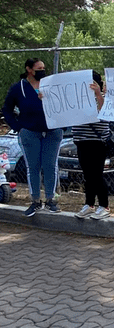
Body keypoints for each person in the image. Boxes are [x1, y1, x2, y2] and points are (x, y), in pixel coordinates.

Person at [2, 58, 64, 216]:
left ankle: (51, 200)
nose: (42, 71)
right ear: (29, 69)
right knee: (33, 167)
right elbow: (7, 109)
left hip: (52, 131)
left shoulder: (51, 85)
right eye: (39, 68)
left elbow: (64, 103)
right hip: (29, 132)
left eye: (44, 67)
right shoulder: (19, 88)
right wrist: (18, 127)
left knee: (50, 165)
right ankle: (35, 200)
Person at [73, 71, 111, 220]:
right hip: (81, 140)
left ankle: (104, 206)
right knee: (88, 175)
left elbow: (105, 113)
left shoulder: (103, 97)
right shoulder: (76, 99)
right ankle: (89, 204)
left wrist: (98, 94)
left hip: (97, 141)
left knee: (97, 174)